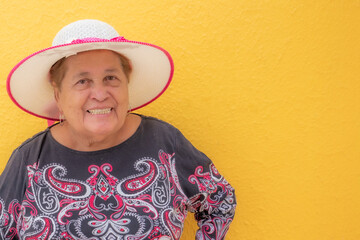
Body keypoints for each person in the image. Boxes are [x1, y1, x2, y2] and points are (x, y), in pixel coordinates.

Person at [0, 19, 236, 239]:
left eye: (111, 78)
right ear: (58, 94)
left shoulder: (165, 143)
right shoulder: (28, 161)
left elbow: (220, 201)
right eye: (82, 81)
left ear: (126, 83)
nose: (101, 95)